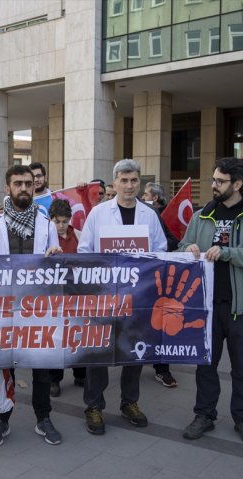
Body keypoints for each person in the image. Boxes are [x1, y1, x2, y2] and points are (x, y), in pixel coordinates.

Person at [180, 157, 243, 444]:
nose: (214, 185)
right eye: (213, 180)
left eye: (220, 181)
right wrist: (189, 248)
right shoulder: (201, 216)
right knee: (206, 365)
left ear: (237, 184)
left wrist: (228, 252)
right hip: (208, 307)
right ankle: (204, 415)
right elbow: (182, 245)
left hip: (242, 307)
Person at [78, 158, 167, 435]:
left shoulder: (149, 215)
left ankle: (130, 402)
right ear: (114, 183)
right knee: (99, 352)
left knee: (134, 352)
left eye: (134, 180)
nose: (129, 186)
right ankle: (94, 405)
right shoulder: (99, 214)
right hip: (104, 296)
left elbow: (161, 251)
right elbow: (84, 251)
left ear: (139, 183)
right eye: (124, 180)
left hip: (137, 296)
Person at [0, 164, 62, 447]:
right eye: (18, 184)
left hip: (38, 309)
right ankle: (2, 421)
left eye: (28, 183)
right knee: (6, 368)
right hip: (5, 310)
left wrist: (56, 255)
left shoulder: (47, 224)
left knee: (41, 367)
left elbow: (57, 265)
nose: (24, 188)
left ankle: (44, 418)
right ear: (8, 188)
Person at [142, 183, 179, 388]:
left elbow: (172, 241)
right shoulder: (104, 215)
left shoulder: (150, 215)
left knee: (158, 324)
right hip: (121, 284)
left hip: (150, 281)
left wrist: (154, 250)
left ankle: (162, 369)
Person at [47, 199, 85, 396]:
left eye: (64, 221)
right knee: (57, 339)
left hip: (76, 293)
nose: (61, 225)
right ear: (50, 220)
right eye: (57, 221)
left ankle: (81, 374)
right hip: (54, 297)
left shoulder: (79, 236)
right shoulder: (46, 238)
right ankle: (55, 379)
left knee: (78, 335)